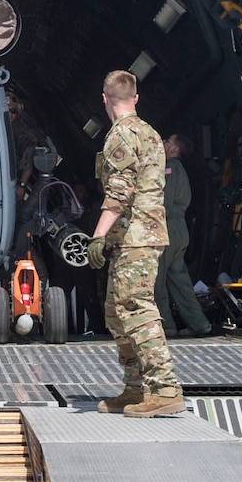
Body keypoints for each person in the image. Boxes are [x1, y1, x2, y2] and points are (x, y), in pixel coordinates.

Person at [86, 70, 183, 417]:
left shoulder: (121, 137)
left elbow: (118, 194)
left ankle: (165, 388)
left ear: (105, 99)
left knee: (136, 309)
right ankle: (135, 388)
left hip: (135, 238)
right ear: (136, 98)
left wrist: (97, 236)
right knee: (116, 312)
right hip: (140, 236)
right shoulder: (151, 134)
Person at [154, 134, 212, 338]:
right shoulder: (179, 169)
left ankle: (166, 325)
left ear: (175, 149)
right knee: (180, 281)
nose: (163, 142)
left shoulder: (170, 167)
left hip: (167, 227)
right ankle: (200, 324)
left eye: (168, 141)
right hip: (179, 229)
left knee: (157, 278)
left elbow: (165, 201)